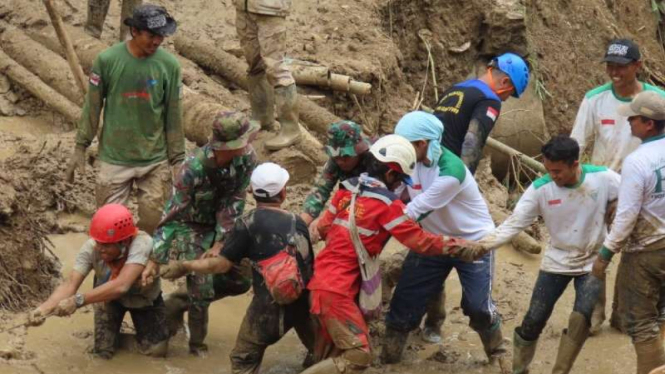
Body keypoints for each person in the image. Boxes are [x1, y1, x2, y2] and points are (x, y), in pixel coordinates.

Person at [300, 134, 483, 374]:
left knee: (328, 354)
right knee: (359, 355)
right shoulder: (388, 204)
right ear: (390, 175)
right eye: (400, 181)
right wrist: (459, 246)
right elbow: (421, 242)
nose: (400, 187)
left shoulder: (346, 190)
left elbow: (322, 228)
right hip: (338, 294)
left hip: (319, 286)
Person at [478, 135, 618, 374]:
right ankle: (519, 369)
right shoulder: (540, 189)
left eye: (558, 171)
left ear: (575, 164)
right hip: (557, 260)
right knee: (534, 319)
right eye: (548, 170)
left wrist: (616, 207)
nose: (552, 176)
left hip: (592, 261)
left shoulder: (605, 178)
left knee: (580, 321)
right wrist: (481, 246)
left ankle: (560, 371)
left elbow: (633, 198)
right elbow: (514, 224)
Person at [382, 111, 507, 372]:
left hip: (473, 242)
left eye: (406, 144)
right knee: (404, 299)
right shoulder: (411, 162)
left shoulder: (451, 171)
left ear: (422, 144)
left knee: (477, 307)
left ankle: (498, 351)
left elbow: (414, 211)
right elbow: (394, 193)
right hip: (435, 239)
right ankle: (389, 357)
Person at [164, 162, 316, 373]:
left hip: (267, 310)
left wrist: (185, 265)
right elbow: (309, 267)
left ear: (252, 192)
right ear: (283, 194)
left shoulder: (247, 224)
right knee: (319, 356)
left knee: (242, 360)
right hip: (305, 306)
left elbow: (221, 265)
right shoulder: (297, 222)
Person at [571, 38, 665, 333]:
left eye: (621, 66)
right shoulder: (595, 99)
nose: (614, 72)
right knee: (595, 248)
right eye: (610, 65)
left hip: (647, 189)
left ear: (637, 66)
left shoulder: (656, 99)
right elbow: (576, 144)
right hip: (606, 187)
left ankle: (628, 314)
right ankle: (593, 315)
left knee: (640, 251)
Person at [145, 111, 258, 356]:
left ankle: (178, 300)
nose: (249, 144)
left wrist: (220, 242)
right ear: (227, 146)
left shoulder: (247, 158)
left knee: (243, 278)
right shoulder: (191, 169)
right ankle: (197, 346)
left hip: (225, 223)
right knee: (202, 285)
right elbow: (171, 217)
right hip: (191, 225)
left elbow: (235, 199)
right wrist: (156, 258)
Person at [67, 4, 184, 235]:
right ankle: (109, 271)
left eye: (161, 36)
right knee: (108, 228)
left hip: (154, 159)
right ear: (134, 32)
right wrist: (80, 146)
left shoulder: (169, 66)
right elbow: (92, 106)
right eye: (151, 35)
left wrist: (178, 160)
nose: (157, 42)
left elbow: (173, 114)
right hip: (114, 158)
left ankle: (144, 266)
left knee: (155, 221)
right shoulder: (107, 60)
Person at [27, 204, 169, 359]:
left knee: (157, 352)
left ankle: (159, 322)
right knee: (103, 352)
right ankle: (117, 339)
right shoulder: (90, 248)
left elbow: (122, 285)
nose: (100, 248)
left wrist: (78, 301)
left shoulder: (142, 243)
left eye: (106, 244)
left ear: (124, 242)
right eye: (98, 242)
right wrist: (43, 310)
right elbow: (70, 285)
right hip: (106, 299)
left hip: (143, 300)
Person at [591, 91, 665, 374]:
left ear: (648, 124)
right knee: (662, 312)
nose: (629, 123)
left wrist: (605, 254)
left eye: (633, 118)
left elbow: (626, 217)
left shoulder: (638, 161)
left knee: (641, 323)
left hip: (646, 251)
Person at [433, 52, 530, 174]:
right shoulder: (490, 100)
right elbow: (472, 140)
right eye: (509, 94)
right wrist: (464, 178)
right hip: (446, 170)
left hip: (426, 162)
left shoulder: (454, 88)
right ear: (504, 82)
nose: (505, 99)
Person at [236, 0, 300, 150]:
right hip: (244, 7)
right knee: (254, 64)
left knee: (275, 67)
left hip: (269, 8)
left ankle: (291, 129)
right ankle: (261, 119)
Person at [301, 121, 371, 228]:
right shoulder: (334, 162)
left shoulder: (374, 160)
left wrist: (326, 219)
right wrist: (300, 225)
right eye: (336, 157)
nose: (340, 162)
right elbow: (320, 191)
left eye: (345, 156)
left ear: (359, 150)